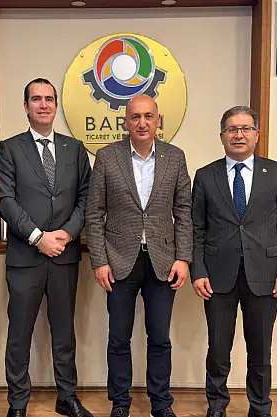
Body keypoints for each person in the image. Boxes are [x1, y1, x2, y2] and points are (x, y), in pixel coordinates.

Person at [190, 106, 277, 417]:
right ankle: (216, 406)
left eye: (245, 128)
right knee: (218, 349)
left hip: (265, 274)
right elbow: (196, 228)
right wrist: (198, 270)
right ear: (222, 136)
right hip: (217, 276)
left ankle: (260, 407)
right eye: (232, 129)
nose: (238, 135)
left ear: (256, 134)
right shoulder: (205, 176)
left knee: (260, 350)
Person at [85, 95, 193, 417]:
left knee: (159, 337)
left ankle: (161, 403)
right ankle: (120, 403)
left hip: (163, 261)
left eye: (148, 116)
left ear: (158, 121)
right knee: (119, 338)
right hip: (119, 261)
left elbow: (183, 211)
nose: (142, 123)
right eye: (135, 117)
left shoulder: (175, 157)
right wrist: (99, 261)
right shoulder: (107, 157)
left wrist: (183, 257)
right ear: (126, 122)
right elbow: (94, 213)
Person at [0, 78, 93, 417]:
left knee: (64, 333)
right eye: (36, 99)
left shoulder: (74, 148)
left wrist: (67, 233)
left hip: (64, 255)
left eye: (49, 99)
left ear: (56, 105)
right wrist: (37, 237)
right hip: (26, 257)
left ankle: (67, 397)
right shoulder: (10, 148)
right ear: (26, 106)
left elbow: (87, 197)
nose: (44, 104)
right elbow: (3, 200)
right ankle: (17, 403)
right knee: (19, 334)